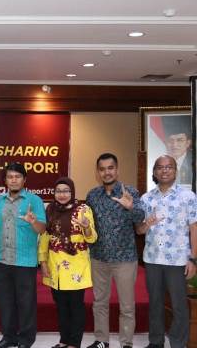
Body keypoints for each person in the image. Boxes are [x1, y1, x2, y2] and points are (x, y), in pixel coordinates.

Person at [85, 153, 145, 348]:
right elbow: (88, 224)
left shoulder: (130, 192)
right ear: (98, 172)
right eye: (102, 169)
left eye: (110, 168)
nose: (107, 172)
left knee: (127, 305)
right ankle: (102, 340)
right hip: (99, 257)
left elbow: (140, 219)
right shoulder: (92, 195)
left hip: (125, 258)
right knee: (99, 302)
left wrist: (130, 207)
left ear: (117, 170)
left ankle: (126, 342)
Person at [137, 155, 197, 348]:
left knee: (179, 305)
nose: (164, 170)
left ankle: (178, 343)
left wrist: (193, 259)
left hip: (178, 260)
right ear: (154, 172)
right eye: (160, 167)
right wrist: (147, 224)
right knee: (155, 303)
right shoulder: (146, 199)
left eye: (169, 167)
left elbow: (194, 228)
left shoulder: (188, 197)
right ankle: (156, 342)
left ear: (175, 171)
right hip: (152, 258)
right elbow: (139, 230)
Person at [0, 162, 46, 348]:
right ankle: (9, 337)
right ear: (5, 180)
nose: (14, 180)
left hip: (25, 261)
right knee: (5, 302)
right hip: (3, 259)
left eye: (17, 177)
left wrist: (33, 221)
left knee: (26, 303)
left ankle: (26, 339)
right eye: (10, 177)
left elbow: (42, 229)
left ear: (24, 179)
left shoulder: (34, 201)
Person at [38, 177, 97, 348]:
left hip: (76, 268)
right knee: (61, 307)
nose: (62, 194)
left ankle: (74, 343)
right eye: (58, 191)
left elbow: (92, 238)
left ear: (72, 192)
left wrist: (86, 226)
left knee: (76, 307)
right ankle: (64, 340)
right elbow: (45, 237)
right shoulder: (50, 209)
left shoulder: (83, 209)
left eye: (66, 191)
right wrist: (43, 262)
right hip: (55, 266)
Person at [162, 115, 193, 185]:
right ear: (165, 143)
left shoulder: (194, 160)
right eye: (170, 140)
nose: (174, 145)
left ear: (188, 143)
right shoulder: (158, 160)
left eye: (180, 140)